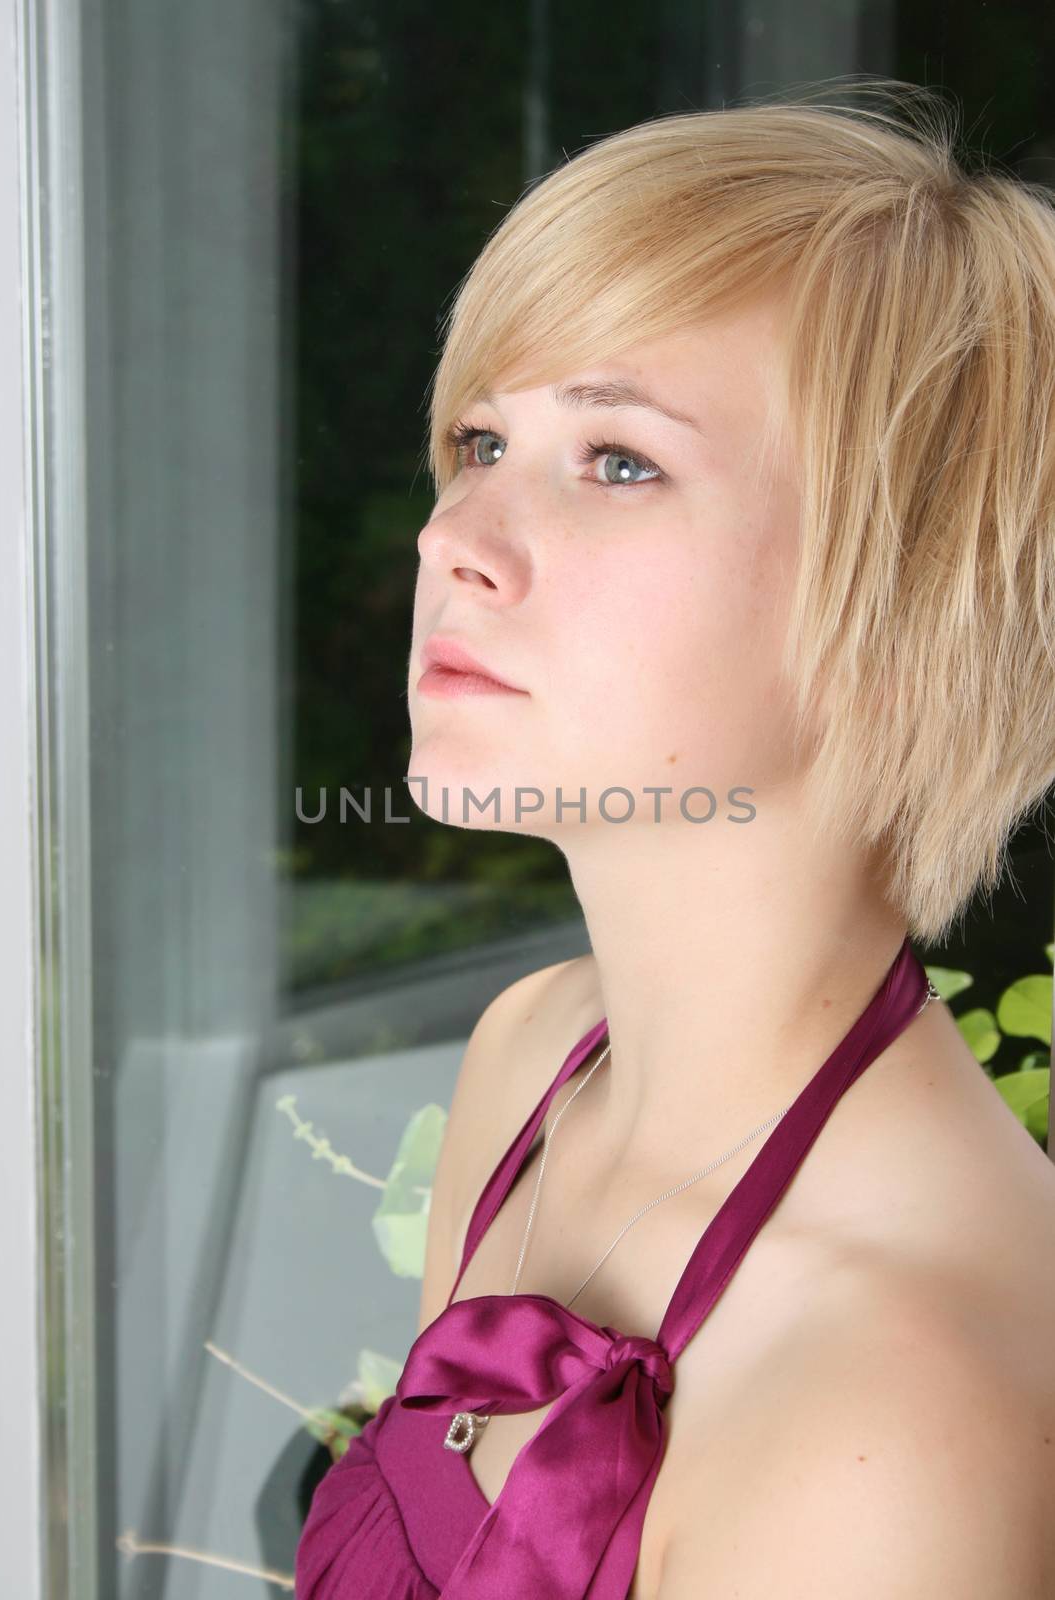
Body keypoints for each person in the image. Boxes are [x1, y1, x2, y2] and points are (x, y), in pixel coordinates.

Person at [295, 79, 1055, 1598]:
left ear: (904, 611)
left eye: (620, 460)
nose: (455, 535)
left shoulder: (899, 1420)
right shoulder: (537, 1057)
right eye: (483, 439)